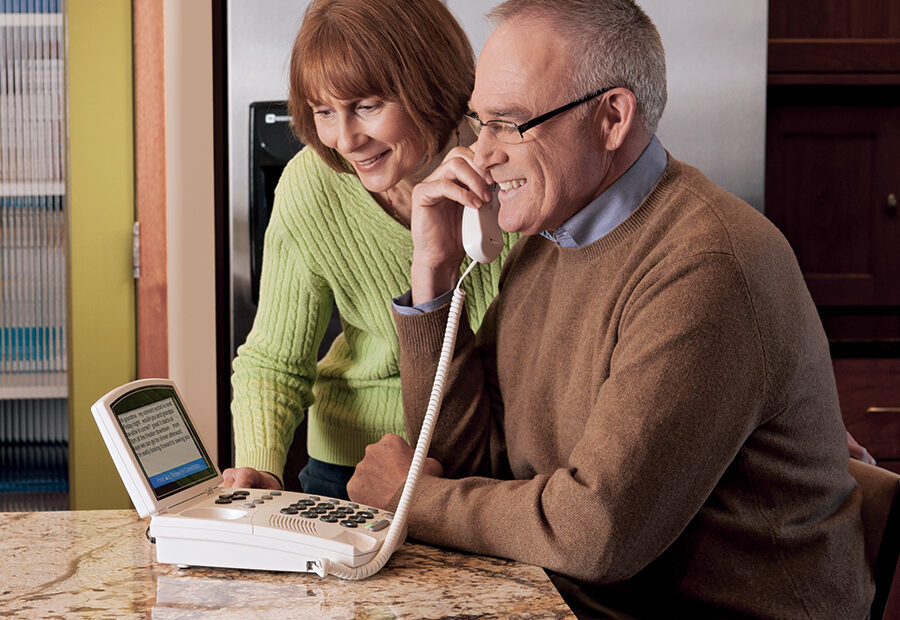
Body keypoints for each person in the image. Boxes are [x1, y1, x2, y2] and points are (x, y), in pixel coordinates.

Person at [347, 0, 873, 617]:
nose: (480, 154)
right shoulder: (544, 242)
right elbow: (467, 460)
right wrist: (432, 275)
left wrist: (413, 500)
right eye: (477, 121)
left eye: (509, 124)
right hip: (579, 597)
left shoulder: (708, 264)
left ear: (612, 118)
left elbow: (595, 531)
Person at [223, 0, 517, 499]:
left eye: (366, 106)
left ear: (429, 82)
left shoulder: (514, 174)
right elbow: (273, 359)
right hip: (351, 472)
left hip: (493, 467)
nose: (346, 139)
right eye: (323, 112)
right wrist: (261, 468)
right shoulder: (311, 187)